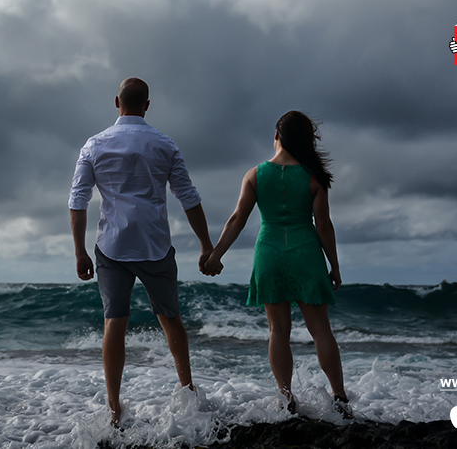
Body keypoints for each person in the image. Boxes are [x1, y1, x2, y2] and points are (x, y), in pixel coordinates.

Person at [69, 77, 214, 427]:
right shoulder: (165, 145)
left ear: (116, 102)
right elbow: (189, 197)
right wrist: (207, 244)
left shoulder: (94, 144)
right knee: (170, 319)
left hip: (112, 247)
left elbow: (78, 200)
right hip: (155, 244)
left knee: (114, 323)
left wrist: (79, 252)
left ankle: (115, 407)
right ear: (147, 105)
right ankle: (187, 390)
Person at [204, 110, 350, 416]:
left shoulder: (255, 174)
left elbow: (237, 220)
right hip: (305, 252)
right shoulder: (313, 178)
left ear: (276, 136)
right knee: (321, 330)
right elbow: (324, 225)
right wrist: (334, 265)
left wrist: (216, 254)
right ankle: (339, 397)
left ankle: (286, 398)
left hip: (269, 252)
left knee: (278, 331)